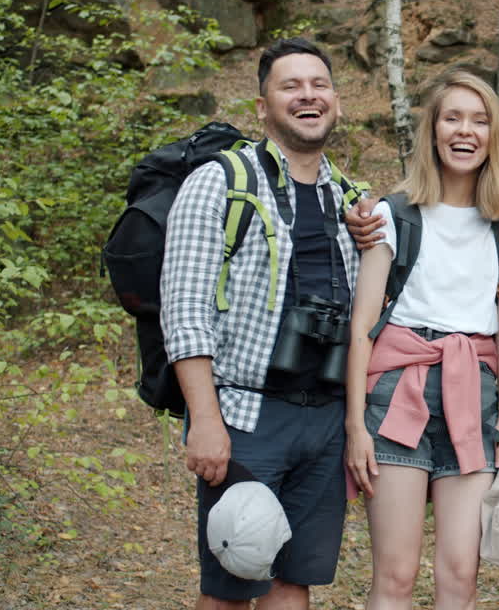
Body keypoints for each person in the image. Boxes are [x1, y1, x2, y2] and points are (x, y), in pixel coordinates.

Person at [161, 37, 360, 609]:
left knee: (293, 581)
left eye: (319, 85)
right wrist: (205, 420)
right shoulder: (220, 182)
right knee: (232, 582)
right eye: (290, 86)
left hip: (323, 422)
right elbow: (184, 310)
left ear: (336, 102)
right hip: (248, 416)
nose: (308, 96)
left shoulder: (348, 199)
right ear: (262, 106)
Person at [344, 71, 499, 610]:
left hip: (475, 395)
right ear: (433, 131)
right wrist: (355, 425)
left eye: (479, 119)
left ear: (494, 135)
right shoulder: (390, 216)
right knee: (395, 575)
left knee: (460, 575)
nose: (465, 131)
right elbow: (361, 329)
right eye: (452, 118)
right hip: (400, 388)